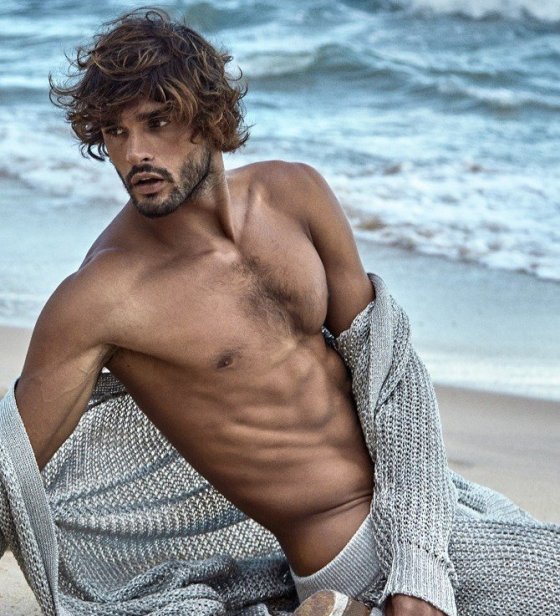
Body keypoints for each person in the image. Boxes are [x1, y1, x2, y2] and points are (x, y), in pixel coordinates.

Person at [5, 8, 558, 616]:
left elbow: (391, 373)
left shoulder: (296, 195)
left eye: (156, 123)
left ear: (207, 117)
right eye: (114, 132)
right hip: (342, 546)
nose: (134, 152)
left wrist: (418, 561)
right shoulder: (102, 297)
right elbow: (11, 471)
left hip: (428, 507)